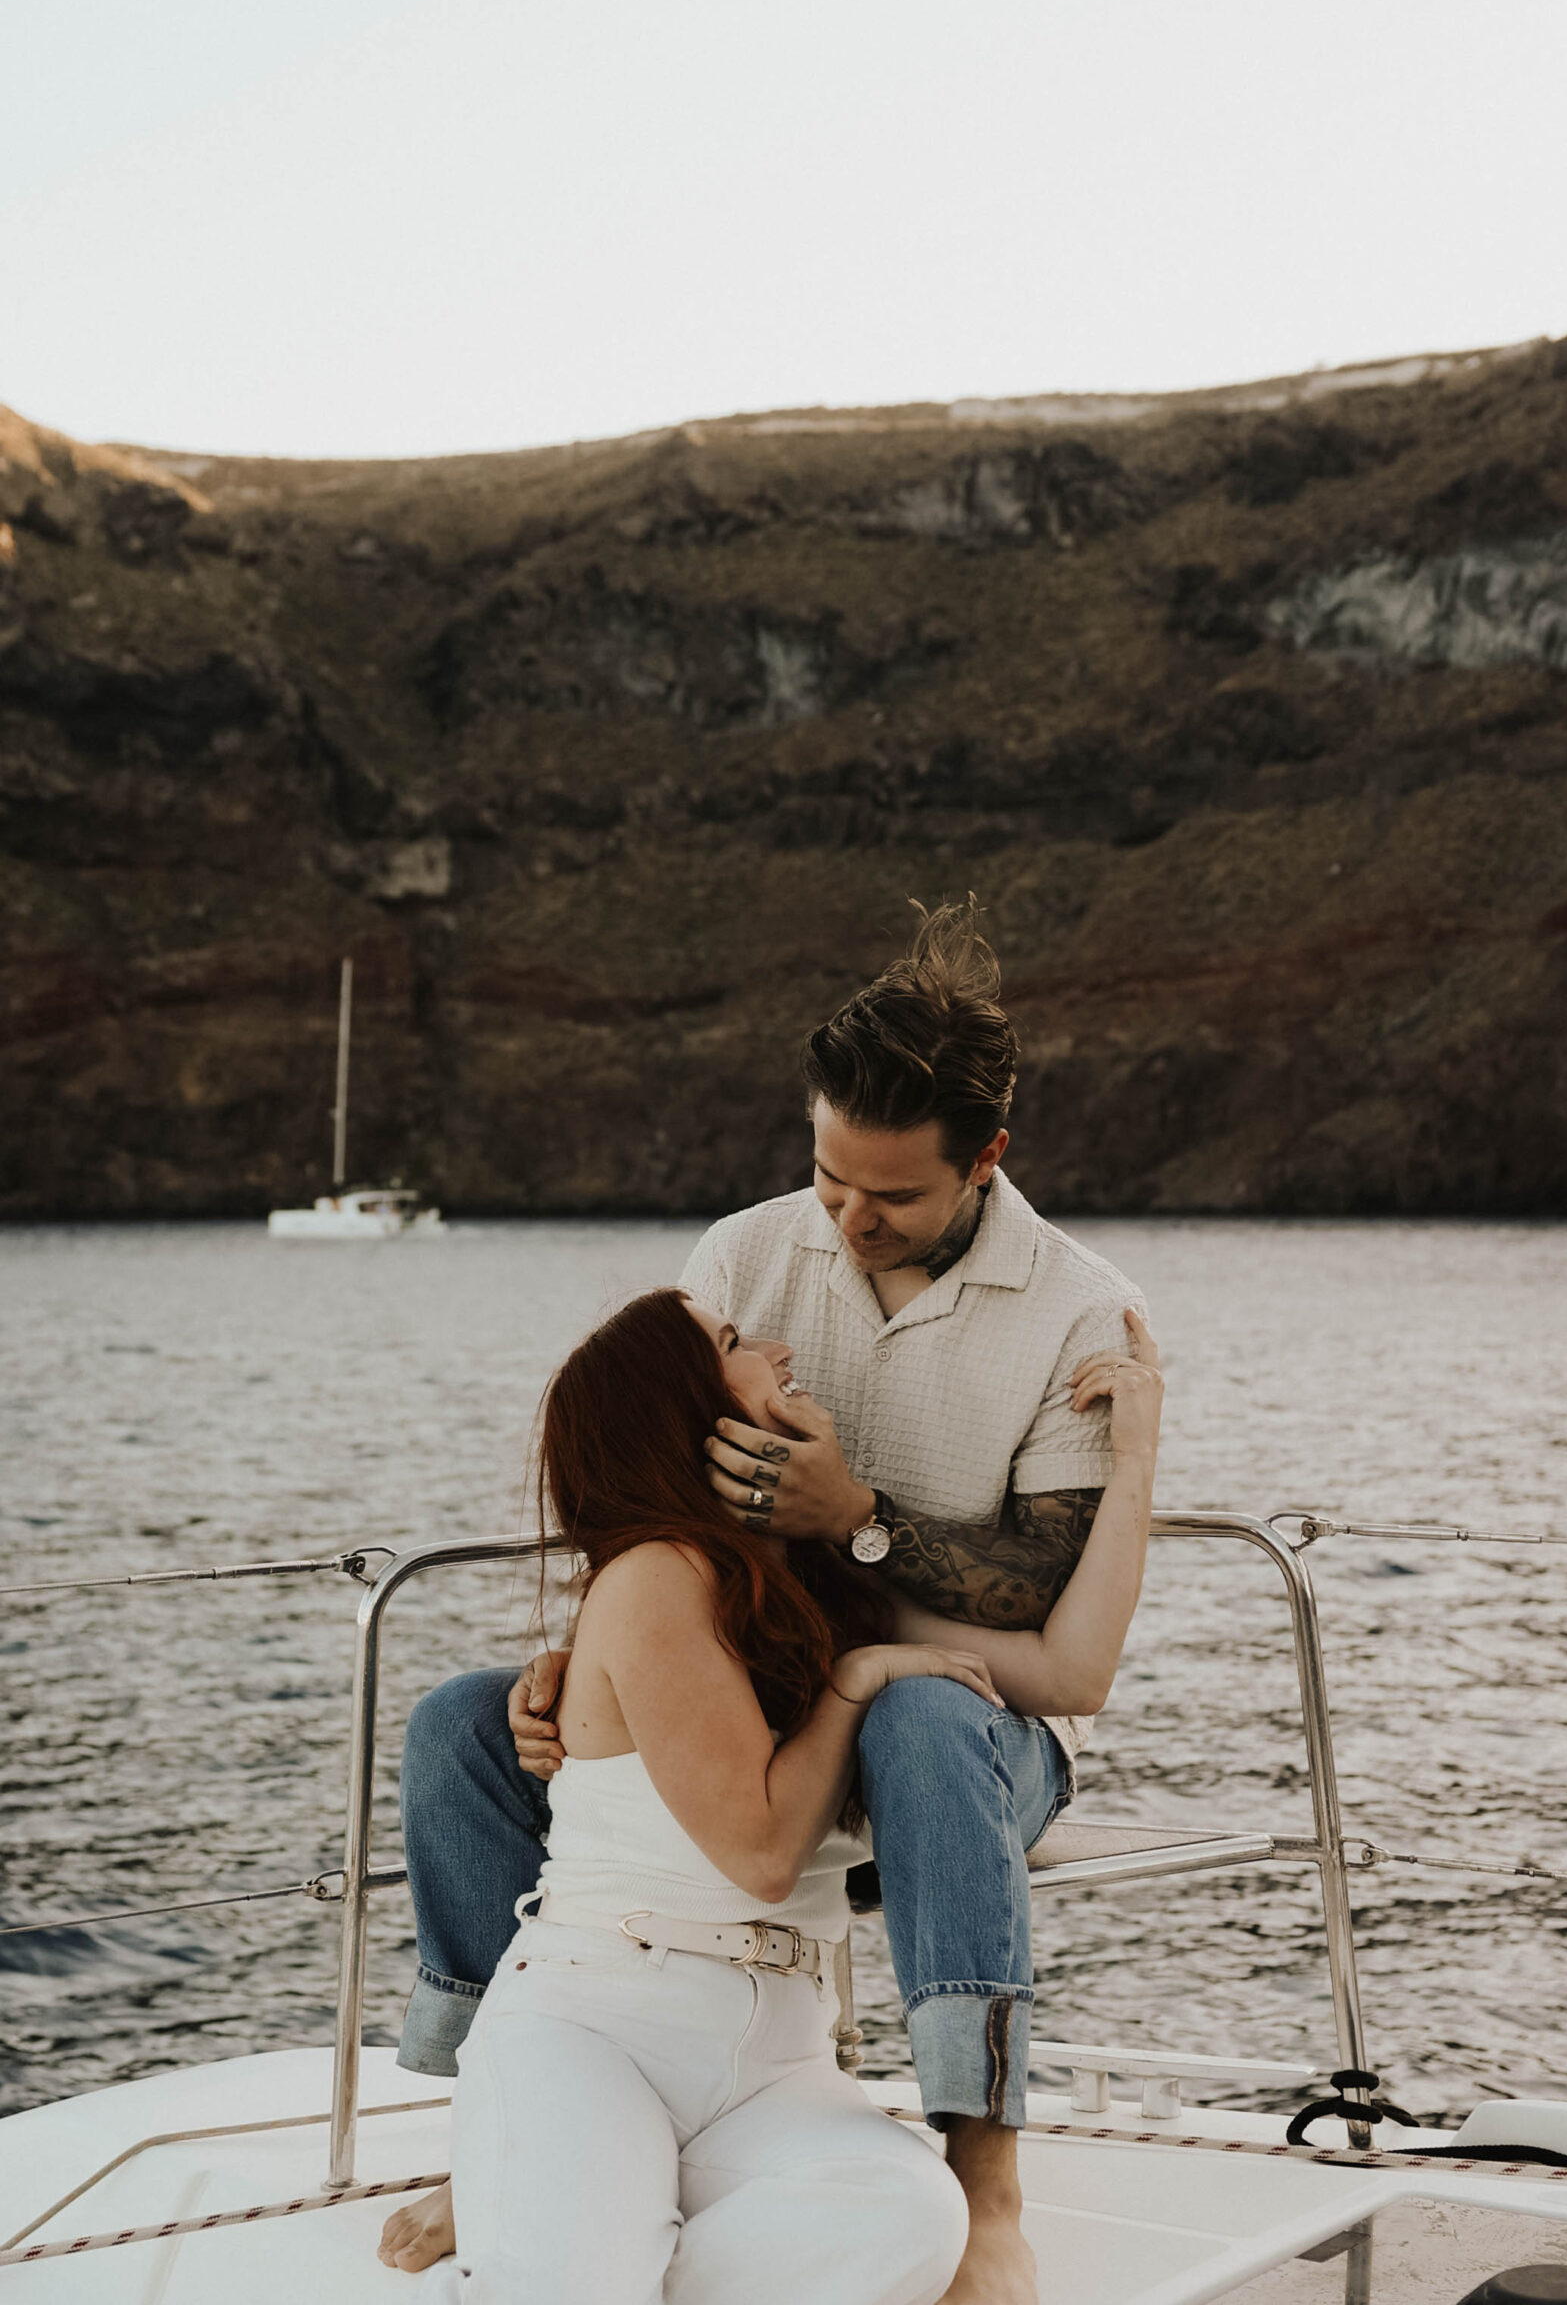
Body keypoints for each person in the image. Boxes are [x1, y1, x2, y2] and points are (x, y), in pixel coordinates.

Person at [385, 901, 1152, 2304]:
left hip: (967, 1725)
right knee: (455, 1723)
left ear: (984, 1159)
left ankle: (984, 2183)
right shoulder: (746, 1255)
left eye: (892, 1198)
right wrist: (587, 1661)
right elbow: (656, 1473)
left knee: (918, 1719)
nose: (846, 1222)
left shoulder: (1075, 1318)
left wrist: (853, 1524)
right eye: (825, 1178)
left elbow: (1041, 1631)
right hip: (767, 1680)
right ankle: (499, 2128)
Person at [415, 1282, 1162, 2304]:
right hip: (602, 2021)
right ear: (691, 1409)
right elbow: (762, 1852)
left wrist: (1136, 1459)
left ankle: (567, 2235)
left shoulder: (817, 1590)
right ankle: (550, 2222)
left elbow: (1071, 1671)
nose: (773, 1345)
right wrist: (855, 1685)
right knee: (580, 2282)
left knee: (911, 2218)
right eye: (732, 1341)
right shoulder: (656, 1578)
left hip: (775, 2056)